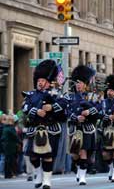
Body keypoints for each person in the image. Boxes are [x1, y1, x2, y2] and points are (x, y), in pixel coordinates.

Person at [22, 59, 68, 189]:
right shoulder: (30, 95)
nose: (40, 83)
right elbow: (25, 107)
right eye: (38, 81)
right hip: (34, 127)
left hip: (50, 128)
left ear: (48, 83)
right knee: (33, 156)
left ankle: (47, 180)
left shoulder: (55, 94)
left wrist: (52, 107)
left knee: (48, 155)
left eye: (42, 81)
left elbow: (65, 105)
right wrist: (36, 111)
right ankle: (38, 174)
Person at [67, 65, 99, 186]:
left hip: (87, 129)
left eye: (80, 83)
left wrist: (89, 112)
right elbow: (67, 112)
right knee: (75, 155)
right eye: (76, 83)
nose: (78, 85)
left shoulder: (93, 97)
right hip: (74, 128)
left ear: (85, 84)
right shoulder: (70, 97)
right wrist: (76, 117)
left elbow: (100, 111)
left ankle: (82, 176)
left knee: (83, 152)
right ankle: (78, 169)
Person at [99, 74, 114, 182]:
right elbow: (99, 112)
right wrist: (105, 116)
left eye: (112, 90)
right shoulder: (103, 102)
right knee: (105, 154)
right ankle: (112, 167)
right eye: (108, 90)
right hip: (105, 128)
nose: (109, 92)